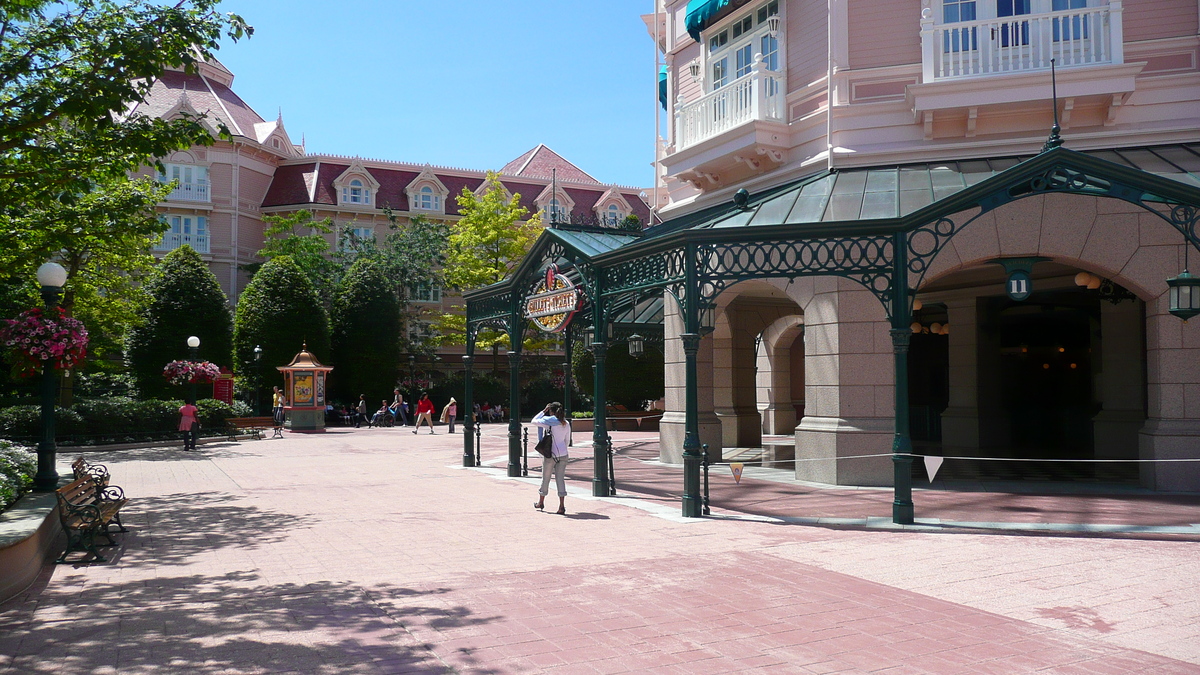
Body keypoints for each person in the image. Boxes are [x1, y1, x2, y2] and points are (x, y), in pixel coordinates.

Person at [531, 402, 571, 515]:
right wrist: (562, 448)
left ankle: (541, 502)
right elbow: (567, 440)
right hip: (563, 453)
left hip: (550, 454)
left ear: (551, 411)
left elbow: (534, 421)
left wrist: (543, 411)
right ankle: (561, 506)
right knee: (560, 479)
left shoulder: (548, 422)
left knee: (546, 478)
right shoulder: (566, 423)